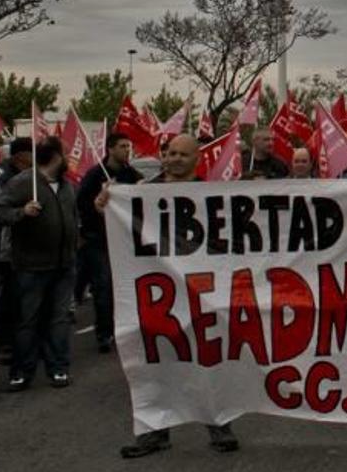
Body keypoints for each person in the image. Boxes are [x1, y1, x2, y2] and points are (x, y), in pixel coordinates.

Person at [95, 135, 240, 458]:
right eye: (170, 152)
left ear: (197, 159)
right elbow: (117, 228)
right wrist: (106, 204)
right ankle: (153, 433)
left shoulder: (212, 196)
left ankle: (220, 427)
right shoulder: (141, 193)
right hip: (156, 295)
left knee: (208, 362)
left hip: (200, 293)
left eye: (182, 154)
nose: (174, 158)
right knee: (153, 364)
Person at [0, 137, 77, 391]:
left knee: (59, 319)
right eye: (65, 154)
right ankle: (21, 372)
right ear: (55, 157)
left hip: (63, 264)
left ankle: (58, 368)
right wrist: (21, 212)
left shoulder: (66, 186)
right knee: (28, 320)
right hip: (32, 266)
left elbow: (72, 215)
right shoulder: (23, 183)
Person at [76, 134, 143, 353]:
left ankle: (122, 329)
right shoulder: (95, 175)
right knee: (103, 288)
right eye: (123, 146)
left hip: (124, 241)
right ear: (110, 149)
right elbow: (82, 204)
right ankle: (104, 333)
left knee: (124, 288)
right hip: (99, 240)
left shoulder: (131, 174)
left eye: (128, 146)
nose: (127, 150)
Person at [0, 138, 33, 365]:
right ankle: (5, 344)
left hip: (30, 250)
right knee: (9, 300)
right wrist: (23, 212)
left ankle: (25, 343)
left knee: (26, 300)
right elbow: (0, 211)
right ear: (20, 156)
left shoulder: (34, 177)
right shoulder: (5, 181)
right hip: (9, 250)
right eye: (31, 152)